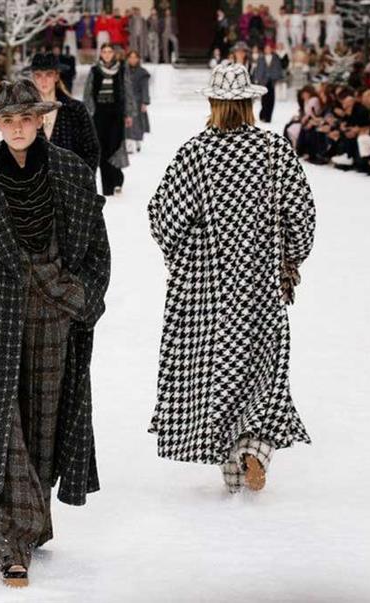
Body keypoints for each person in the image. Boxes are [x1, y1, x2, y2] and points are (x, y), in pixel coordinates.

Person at [0, 78, 110, 588]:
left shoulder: (73, 174)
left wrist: (82, 301)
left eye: (25, 118)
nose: (17, 127)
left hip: (54, 319)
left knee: (40, 431)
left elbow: (97, 249)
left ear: (41, 119)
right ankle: (10, 541)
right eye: (7, 120)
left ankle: (33, 523)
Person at [147, 63, 315, 494]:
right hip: (260, 287)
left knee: (218, 373)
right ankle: (255, 451)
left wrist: (184, 261)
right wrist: (289, 261)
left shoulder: (196, 153)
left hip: (209, 291)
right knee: (264, 372)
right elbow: (302, 217)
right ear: (250, 102)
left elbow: (163, 216)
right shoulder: (275, 151)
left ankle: (232, 467)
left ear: (212, 103)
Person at [28, 52, 100, 174]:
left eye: (49, 74)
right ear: (33, 78)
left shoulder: (76, 109)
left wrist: (82, 182)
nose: (43, 80)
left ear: (56, 76)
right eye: (38, 75)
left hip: (70, 185)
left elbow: (91, 150)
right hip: (35, 188)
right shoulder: (26, 112)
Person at [83, 43, 134, 196]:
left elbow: (127, 91)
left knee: (115, 146)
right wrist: (90, 111)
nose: (106, 54)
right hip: (99, 113)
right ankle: (107, 188)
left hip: (116, 112)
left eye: (109, 51)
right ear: (101, 54)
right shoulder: (94, 70)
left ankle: (117, 180)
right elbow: (88, 92)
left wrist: (129, 113)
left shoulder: (121, 70)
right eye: (104, 52)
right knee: (102, 149)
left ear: (114, 54)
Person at [252, 43, 284, 123]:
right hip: (263, 80)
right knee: (264, 99)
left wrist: (277, 78)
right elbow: (258, 69)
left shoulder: (276, 58)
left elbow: (278, 68)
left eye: (269, 48)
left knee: (271, 99)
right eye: (266, 48)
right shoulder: (261, 58)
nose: (268, 50)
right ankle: (263, 115)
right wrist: (257, 78)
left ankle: (268, 117)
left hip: (272, 80)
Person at [125, 50, 150, 152]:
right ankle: (129, 143)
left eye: (135, 57)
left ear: (138, 59)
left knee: (137, 122)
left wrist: (145, 102)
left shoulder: (142, 73)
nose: (133, 59)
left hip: (138, 100)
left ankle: (137, 142)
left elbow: (145, 88)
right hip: (126, 100)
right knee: (127, 122)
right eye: (130, 57)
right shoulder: (124, 71)